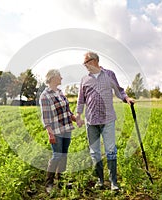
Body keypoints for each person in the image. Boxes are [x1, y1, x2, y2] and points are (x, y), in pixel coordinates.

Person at [76, 51, 133, 191]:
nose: (84, 66)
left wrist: (126, 99)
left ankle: (113, 182)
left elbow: (119, 91)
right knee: (94, 152)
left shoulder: (109, 74)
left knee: (111, 150)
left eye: (86, 62)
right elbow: (81, 100)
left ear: (94, 61)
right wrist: (78, 115)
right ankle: (100, 181)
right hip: (91, 121)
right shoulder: (84, 79)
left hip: (108, 119)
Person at [39, 69, 83, 193]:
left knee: (63, 155)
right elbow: (46, 117)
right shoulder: (45, 95)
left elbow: (67, 112)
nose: (61, 78)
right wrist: (50, 133)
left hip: (66, 128)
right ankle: (49, 184)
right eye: (59, 76)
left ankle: (62, 181)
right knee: (57, 155)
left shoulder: (59, 92)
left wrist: (76, 120)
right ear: (53, 78)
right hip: (56, 131)